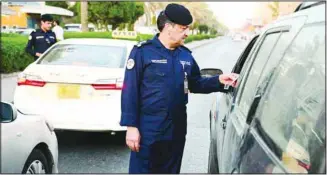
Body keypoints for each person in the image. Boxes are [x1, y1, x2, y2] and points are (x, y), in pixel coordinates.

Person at [120, 3, 239, 174]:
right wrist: (131, 127)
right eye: (183, 28)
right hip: (148, 128)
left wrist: (219, 80)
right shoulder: (142, 52)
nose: (187, 33)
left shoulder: (185, 55)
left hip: (176, 129)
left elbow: (196, 83)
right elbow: (129, 90)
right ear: (168, 27)